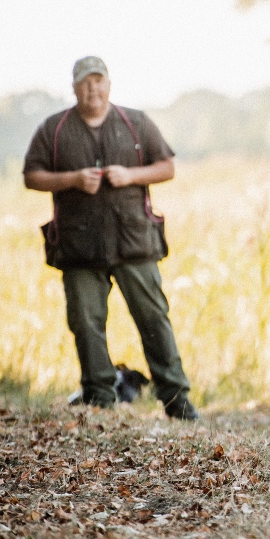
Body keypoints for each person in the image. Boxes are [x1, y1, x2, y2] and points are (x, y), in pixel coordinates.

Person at [23, 56, 198, 419]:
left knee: (153, 320)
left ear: (109, 85)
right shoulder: (54, 129)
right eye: (86, 82)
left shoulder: (136, 123)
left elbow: (167, 167)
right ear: (74, 88)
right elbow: (31, 176)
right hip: (78, 245)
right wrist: (72, 179)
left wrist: (131, 176)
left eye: (99, 81)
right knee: (86, 322)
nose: (93, 89)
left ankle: (176, 400)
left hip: (134, 242)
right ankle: (100, 398)